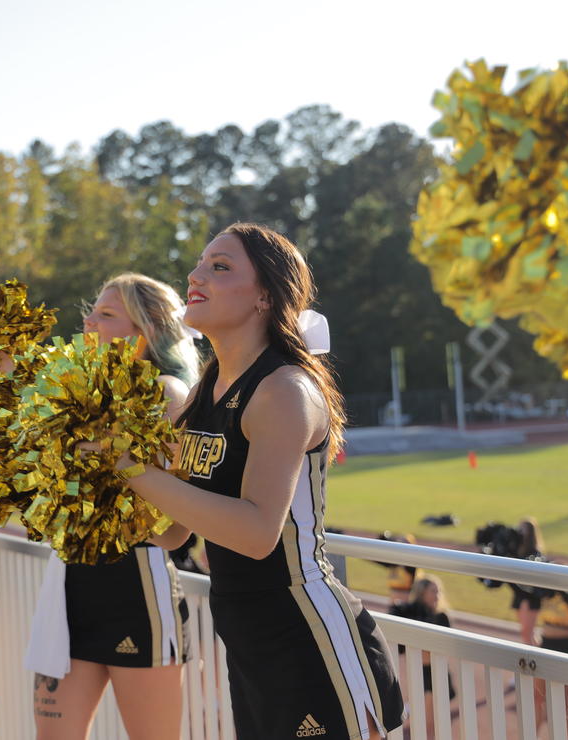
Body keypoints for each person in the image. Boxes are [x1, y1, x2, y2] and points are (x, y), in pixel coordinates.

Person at [120, 223, 405, 739]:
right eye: (201, 262)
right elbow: (175, 532)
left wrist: (131, 470)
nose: (196, 274)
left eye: (220, 266)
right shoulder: (202, 395)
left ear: (265, 298)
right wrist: (89, 499)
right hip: (249, 643)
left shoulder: (283, 389)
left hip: (307, 637)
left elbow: (256, 535)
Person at [31, 273, 197, 740]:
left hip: (135, 589)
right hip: (71, 586)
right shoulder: (75, 391)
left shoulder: (166, 393)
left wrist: (103, 462)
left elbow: (174, 532)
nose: (88, 320)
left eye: (106, 314)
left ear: (145, 332)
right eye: (91, 310)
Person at [389, 576, 455, 737]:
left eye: (439, 590)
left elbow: (441, 649)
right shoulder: (410, 614)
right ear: (422, 593)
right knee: (427, 722)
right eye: (433, 591)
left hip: (439, 672)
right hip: (421, 673)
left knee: (435, 720)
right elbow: (402, 649)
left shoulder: (442, 617)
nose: (437, 595)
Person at [534, 589, 568, 738]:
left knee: (562, 701)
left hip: (564, 649)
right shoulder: (545, 594)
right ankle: (532, 735)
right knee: (538, 696)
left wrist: (560, 589)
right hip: (545, 646)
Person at [509, 517, 546, 646]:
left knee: (528, 632)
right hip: (519, 595)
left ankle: (537, 658)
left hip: (530, 598)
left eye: (523, 529)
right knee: (525, 632)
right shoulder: (517, 549)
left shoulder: (535, 553)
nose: (520, 531)